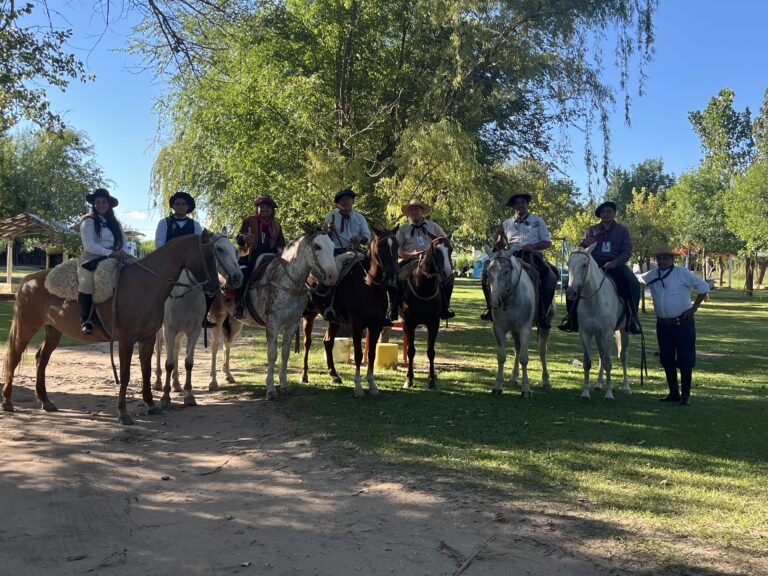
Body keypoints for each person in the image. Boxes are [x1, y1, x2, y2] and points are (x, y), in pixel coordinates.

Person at [637, 246, 710, 405]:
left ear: (672, 259)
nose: (662, 261)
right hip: (663, 325)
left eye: (665, 258)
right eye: (659, 258)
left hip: (682, 324)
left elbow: (704, 287)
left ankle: (686, 395)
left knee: (685, 359)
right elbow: (637, 279)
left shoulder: (682, 273)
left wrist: (693, 308)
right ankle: (673, 393)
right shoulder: (653, 274)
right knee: (666, 358)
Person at [558, 200, 642, 335]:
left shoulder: (622, 231)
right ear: (600, 215)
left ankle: (632, 319)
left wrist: (615, 262)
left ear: (614, 213)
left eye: (609, 211)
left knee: (632, 282)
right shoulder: (592, 230)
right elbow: (582, 250)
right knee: (571, 283)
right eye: (603, 212)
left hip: (615, 265)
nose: (606, 214)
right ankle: (571, 318)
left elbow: (627, 251)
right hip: (594, 266)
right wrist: (584, 243)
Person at [481, 192, 557, 328]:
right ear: (513, 207)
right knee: (485, 273)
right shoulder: (506, 223)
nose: (520, 205)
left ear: (527, 204)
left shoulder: (538, 221)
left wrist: (534, 246)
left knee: (550, 276)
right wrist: (500, 235)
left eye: (523, 202)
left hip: (533, 255)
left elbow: (547, 242)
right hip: (511, 256)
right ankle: (491, 308)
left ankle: (542, 314)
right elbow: (500, 246)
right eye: (517, 203)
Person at [155, 190, 216, 328]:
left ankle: (204, 315)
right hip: (169, 263)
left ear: (188, 207)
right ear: (173, 206)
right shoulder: (164, 223)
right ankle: (153, 312)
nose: (180, 206)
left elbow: (199, 246)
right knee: (153, 284)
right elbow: (160, 245)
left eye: (183, 204)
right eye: (177, 203)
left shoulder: (195, 225)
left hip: (191, 264)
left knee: (210, 283)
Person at [78, 188, 128, 336]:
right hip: (91, 257)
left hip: (116, 256)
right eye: (97, 202)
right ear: (93, 204)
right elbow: (88, 244)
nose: (100, 205)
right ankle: (86, 320)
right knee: (86, 282)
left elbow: (124, 241)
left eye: (104, 202)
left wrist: (122, 252)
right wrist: (110, 253)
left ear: (109, 204)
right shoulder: (88, 221)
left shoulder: (115, 223)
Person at [396, 199, 455, 319]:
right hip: (409, 260)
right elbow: (396, 249)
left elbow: (445, 241)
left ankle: (445, 308)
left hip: (430, 262)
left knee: (449, 279)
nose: (414, 212)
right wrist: (409, 254)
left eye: (417, 209)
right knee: (394, 278)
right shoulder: (403, 229)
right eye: (412, 210)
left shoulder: (433, 226)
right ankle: (393, 308)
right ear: (409, 213)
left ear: (422, 211)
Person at [233, 195, 286, 319]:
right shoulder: (249, 220)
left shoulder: (277, 225)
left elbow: (281, 244)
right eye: (261, 207)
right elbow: (240, 238)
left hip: (271, 258)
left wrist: (281, 252)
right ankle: (239, 304)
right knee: (243, 274)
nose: (264, 209)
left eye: (267, 207)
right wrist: (244, 238)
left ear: (272, 210)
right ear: (257, 208)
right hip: (250, 256)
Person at [323, 188, 371, 256]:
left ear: (353, 201)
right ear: (338, 203)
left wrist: (360, 239)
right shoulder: (330, 217)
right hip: (334, 252)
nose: (344, 202)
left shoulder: (360, 218)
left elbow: (367, 237)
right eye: (341, 200)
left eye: (347, 199)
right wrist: (329, 232)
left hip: (354, 252)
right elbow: (323, 238)